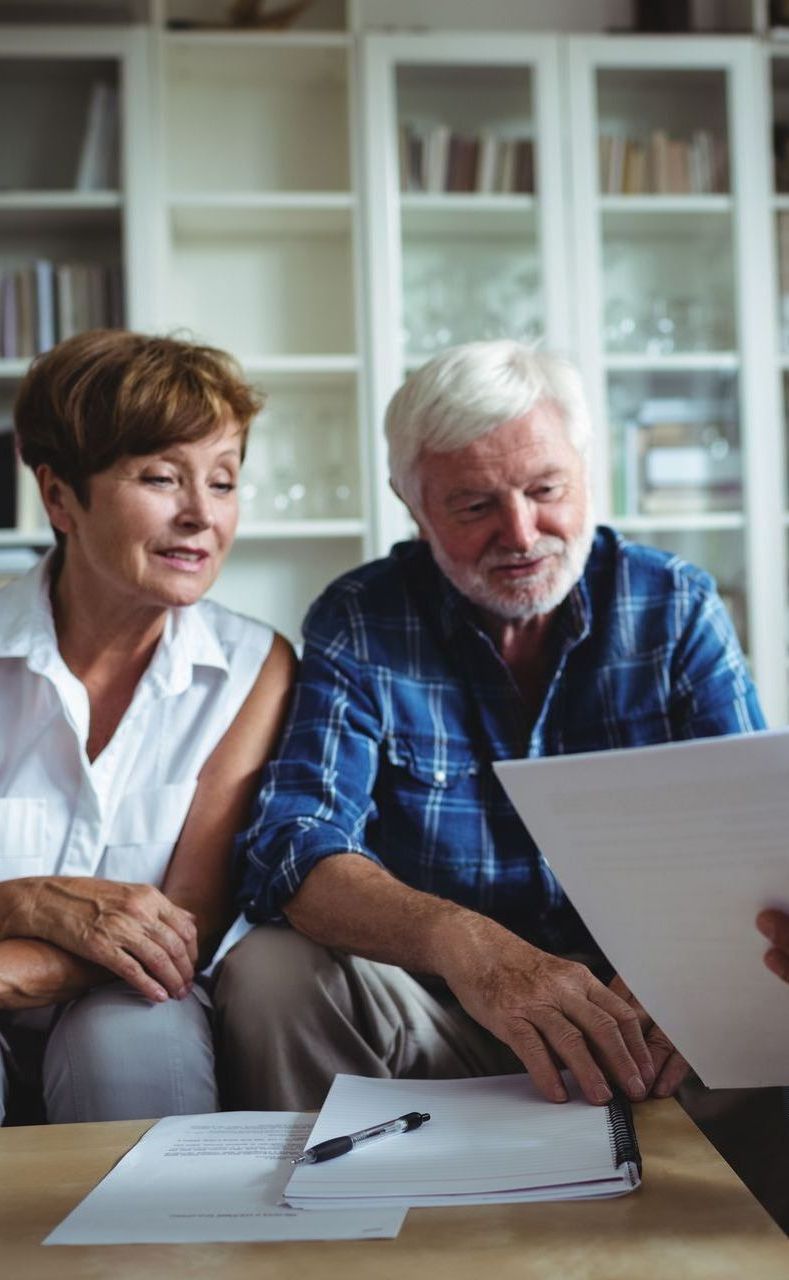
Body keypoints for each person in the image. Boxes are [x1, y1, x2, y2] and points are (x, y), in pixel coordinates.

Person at [214, 340, 764, 1112]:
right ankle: (337, 1221)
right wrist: (468, 948)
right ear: (413, 509)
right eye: (473, 506)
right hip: (442, 1016)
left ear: (587, 473)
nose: (519, 531)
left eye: (546, 489)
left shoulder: (674, 604)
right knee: (269, 972)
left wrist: (685, 965)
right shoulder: (362, 616)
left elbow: (753, 837)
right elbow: (296, 847)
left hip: (650, 1015)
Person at [0, 329, 294, 1124]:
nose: (201, 515)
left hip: (134, 1000)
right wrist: (30, 901)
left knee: (130, 1043)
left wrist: (16, 968)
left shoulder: (253, 668)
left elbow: (183, 925)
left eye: (224, 482)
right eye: (162, 477)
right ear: (59, 497)